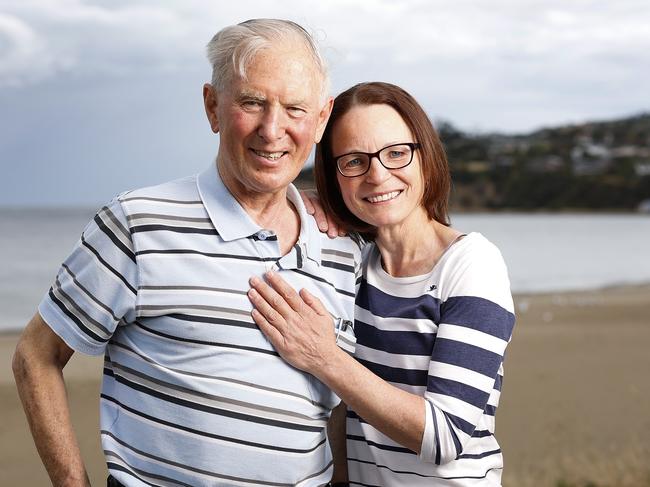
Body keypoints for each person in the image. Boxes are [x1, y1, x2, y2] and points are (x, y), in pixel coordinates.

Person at [12, 19, 362, 486]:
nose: (272, 129)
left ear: (320, 120)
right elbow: (35, 356)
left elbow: (334, 403)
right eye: (252, 102)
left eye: (295, 108)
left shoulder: (342, 249)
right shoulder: (138, 223)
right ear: (213, 107)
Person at [248, 82, 516, 486]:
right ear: (334, 175)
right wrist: (295, 203)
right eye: (354, 161)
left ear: (425, 155)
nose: (377, 175)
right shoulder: (352, 262)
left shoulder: (470, 264)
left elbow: (445, 437)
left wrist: (324, 357)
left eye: (396, 153)